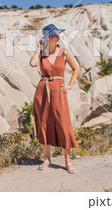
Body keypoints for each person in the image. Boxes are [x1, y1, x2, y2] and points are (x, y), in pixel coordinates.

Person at [29, 24, 79, 174]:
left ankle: (68, 162)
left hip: (59, 91)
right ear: (48, 39)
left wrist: (69, 85)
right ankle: (47, 159)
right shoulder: (42, 54)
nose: (58, 37)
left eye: (58, 35)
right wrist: (38, 49)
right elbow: (32, 64)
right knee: (43, 123)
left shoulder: (63, 52)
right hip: (42, 91)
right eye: (55, 35)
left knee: (63, 124)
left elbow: (76, 68)